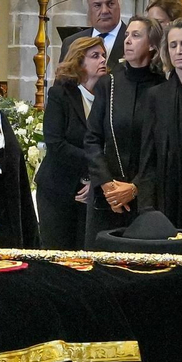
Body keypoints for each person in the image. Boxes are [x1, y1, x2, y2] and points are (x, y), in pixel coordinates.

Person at [83, 16, 164, 240]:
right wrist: (108, 186)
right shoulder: (108, 83)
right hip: (107, 199)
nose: (127, 40)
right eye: (127, 35)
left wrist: (135, 187)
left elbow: (162, 150)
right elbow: (92, 139)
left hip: (147, 199)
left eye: (136, 36)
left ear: (152, 44)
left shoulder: (163, 87)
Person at [136, 18, 182, 233]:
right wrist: (147, 209)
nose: (178, 51)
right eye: (173, 45)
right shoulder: (157, 96)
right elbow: (148, 157)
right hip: (171, 195)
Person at [35, 36, 108, 250]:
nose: (103, 60)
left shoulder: (108, 96)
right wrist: (95, 164)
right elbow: (56, 143)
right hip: (58, 188)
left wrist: (96, 178)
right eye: (95, 56)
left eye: (103, 55)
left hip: (94, 190)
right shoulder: (60, 94)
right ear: (79, 62)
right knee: (58, 253)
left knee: (87, 253)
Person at [59, 0, 126, 68]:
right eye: (97, 5)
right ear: (88, 9)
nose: (104, 11)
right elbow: (63, 76)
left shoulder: (134, 41)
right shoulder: (71, 43)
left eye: (110, 4)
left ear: (119, 5)